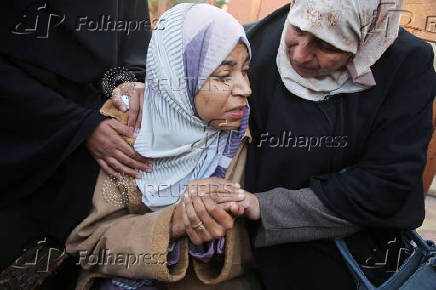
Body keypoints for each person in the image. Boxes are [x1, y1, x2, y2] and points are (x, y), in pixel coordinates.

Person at [121, 0, 436, 289]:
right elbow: (186, 76)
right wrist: (137, 84)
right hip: (240, 254)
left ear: (367, 41)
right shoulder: (255, 39)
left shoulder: (406, 64)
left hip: (338, 256)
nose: (299, 55)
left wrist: (264, 206)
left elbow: (387, 183)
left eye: (327, 45)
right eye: (298, 30)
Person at [66, 4, 260, 290]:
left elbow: (261, 245)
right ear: (180, 78)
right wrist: (173, 223)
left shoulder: (238, 132)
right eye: (223, 76)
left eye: (245, 71)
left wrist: (224, 218)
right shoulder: (128, 130)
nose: (245, 89)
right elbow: (90, 246)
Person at [0, 0, 153, 269]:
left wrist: (126, 85)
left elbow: (130, 56)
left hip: (98, 168)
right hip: (22, 146)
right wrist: (78, 126)